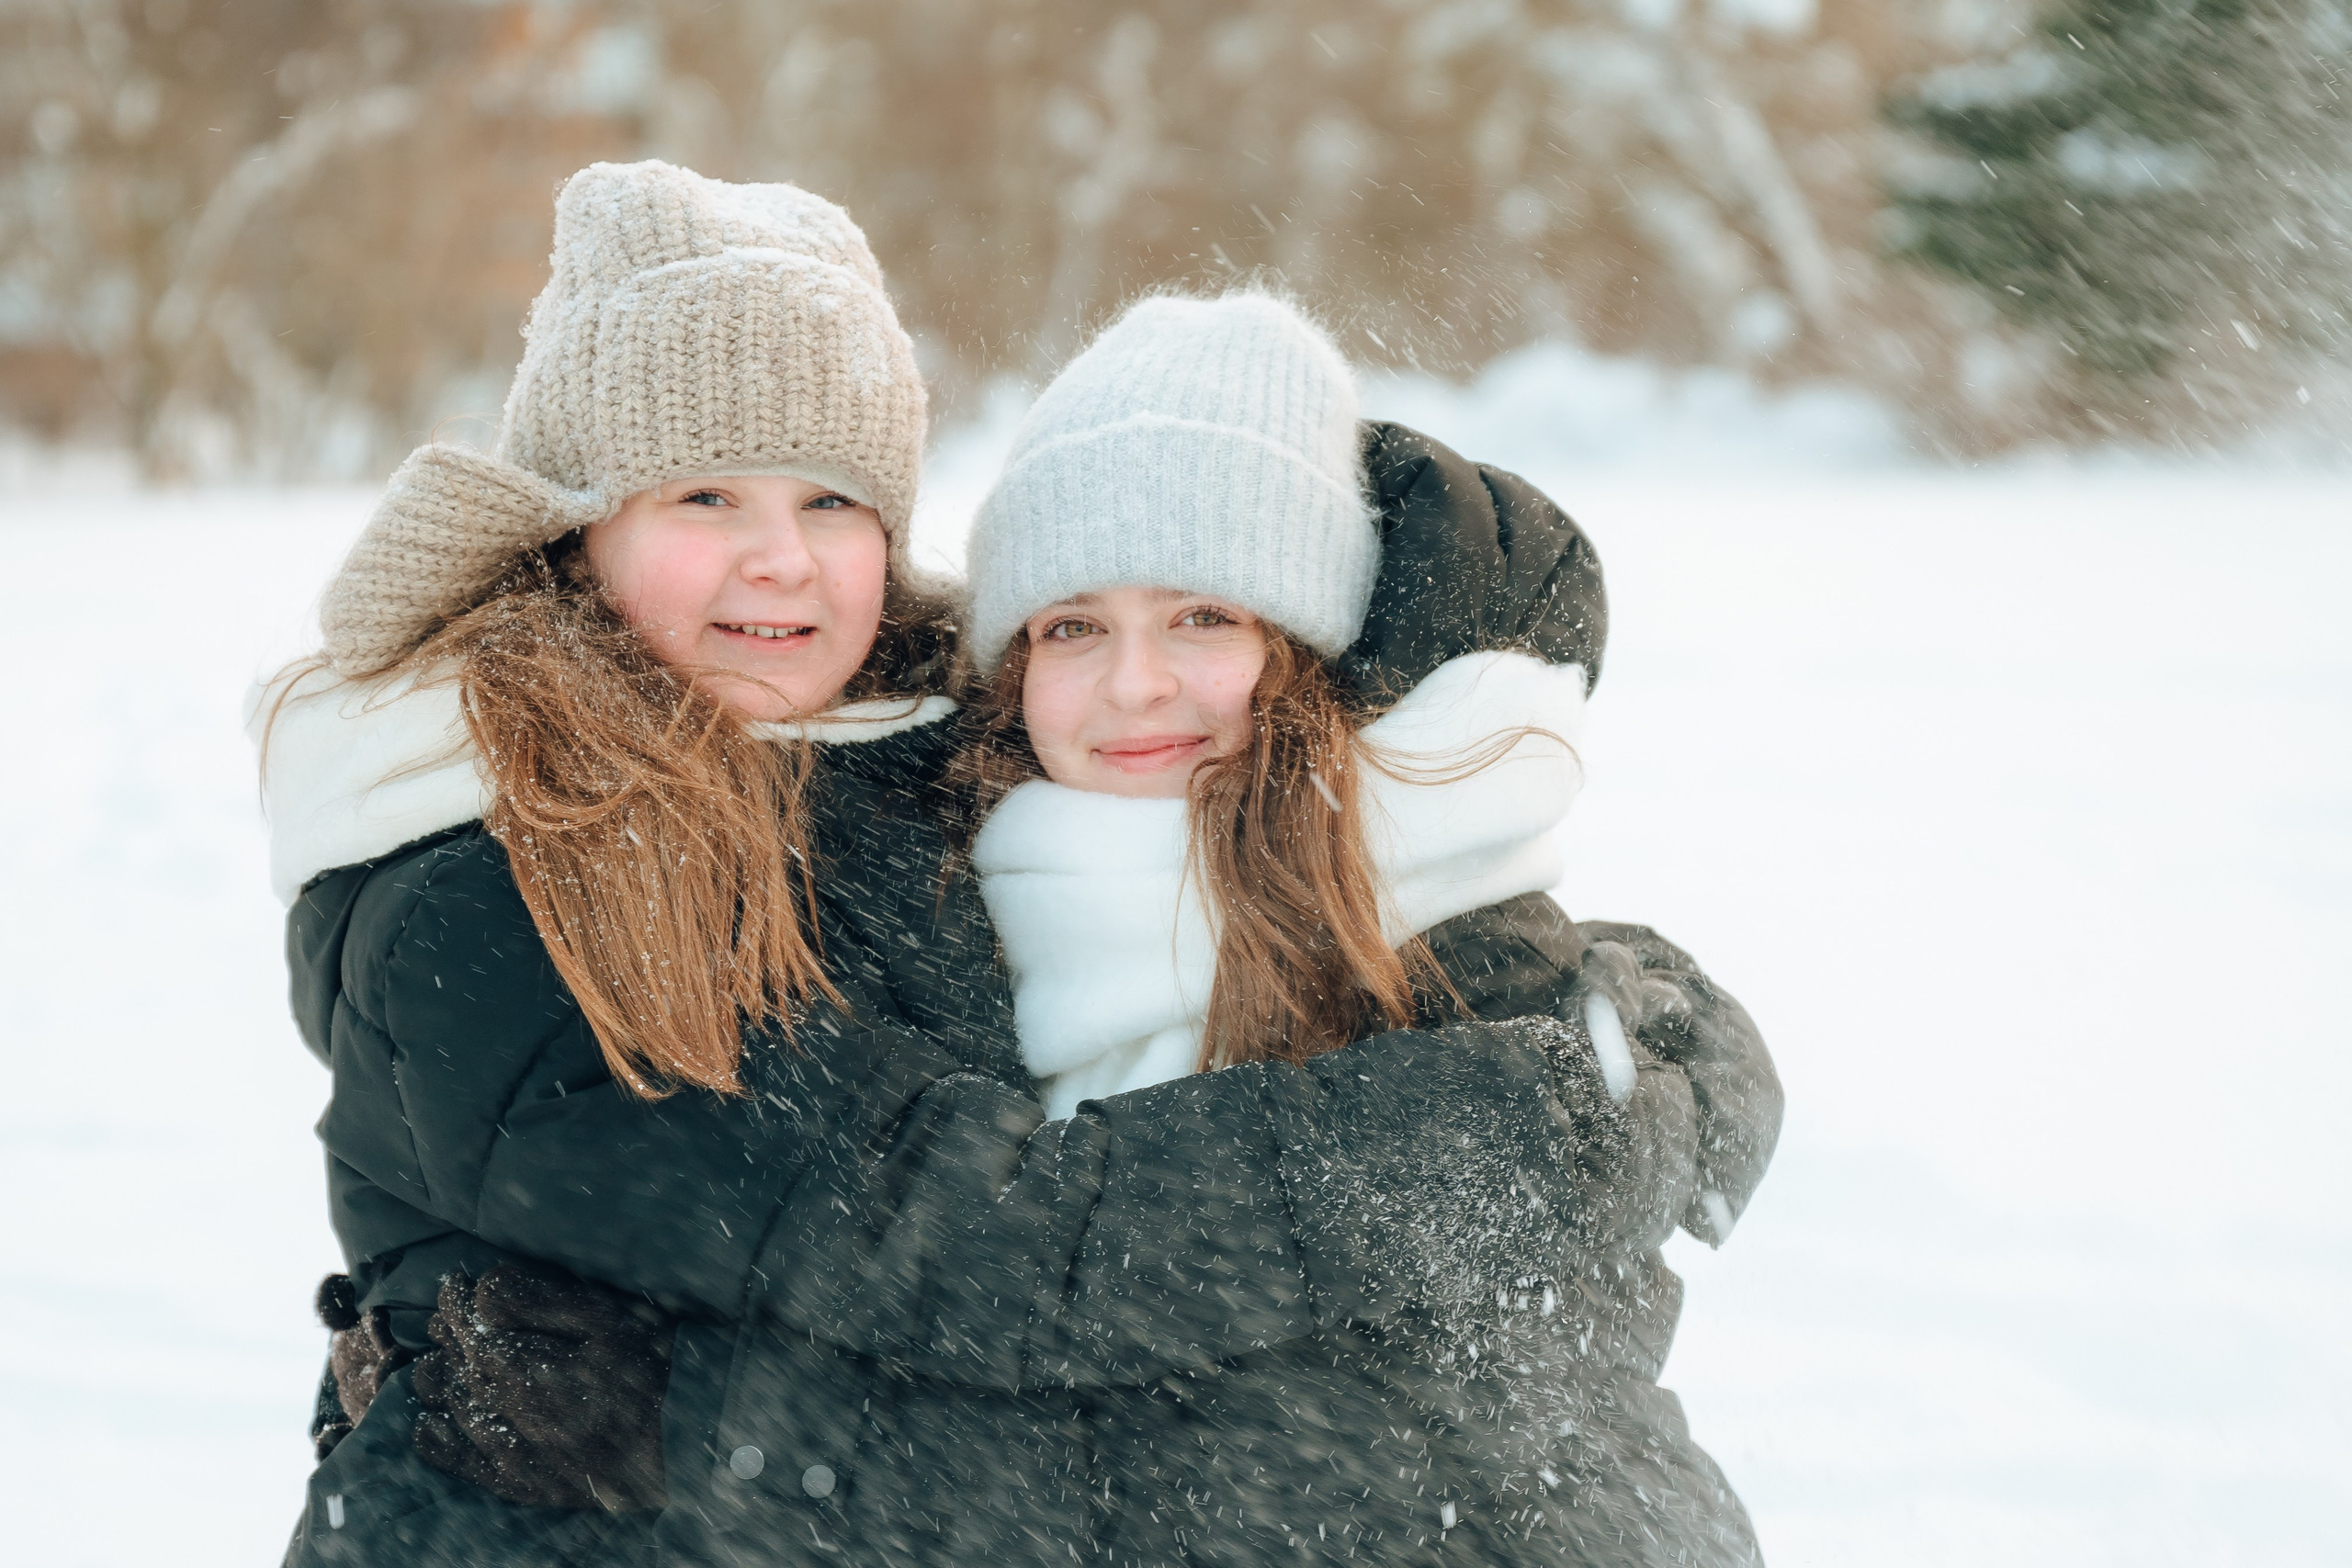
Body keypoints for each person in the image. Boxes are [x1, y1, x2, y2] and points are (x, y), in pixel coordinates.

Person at [254, 163, 1669, 1567]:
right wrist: (1480, 1129)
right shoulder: (491, 869)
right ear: (575, 522)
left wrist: (1659, 1043)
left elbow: (1318, 862)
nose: (782, 565)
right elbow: (975, 1243)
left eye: (832, 503)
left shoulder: (920, 757)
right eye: (704, 497)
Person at [945, 291, 1776, 1566]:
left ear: (1313, 653)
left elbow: (1505, 1468)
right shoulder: (966, 938)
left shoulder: (1455, 967)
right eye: (1074, 627)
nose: (1134, 683)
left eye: (1203, 615)